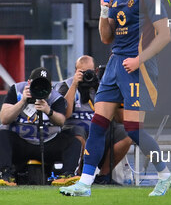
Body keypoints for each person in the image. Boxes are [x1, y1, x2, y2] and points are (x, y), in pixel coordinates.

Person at [60, 0, 171, 197]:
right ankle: (85, 184)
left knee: (133, 129)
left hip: (138, 66)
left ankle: (164, 175)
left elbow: (165, 35)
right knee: (98, 124)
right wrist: (103, 12)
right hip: (114, 64)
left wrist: (139, 59)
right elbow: (106, 37)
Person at [0, 67, 82, 186]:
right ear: (29, 83)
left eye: (44, 85)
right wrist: (22, 102)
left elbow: (61, 121)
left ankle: (67, 174)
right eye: (36, 84)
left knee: (74, 141)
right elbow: (4, 118)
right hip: (21, 142)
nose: (40, 88)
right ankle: (7, 175)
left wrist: (48, 111)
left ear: (50, 86)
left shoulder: (56, 98)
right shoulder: (17, 90)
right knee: (2, 135)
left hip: (47, 142)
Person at [53, 55, 133, 186]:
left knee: (126, 134)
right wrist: (74, 85)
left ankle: (104, 175)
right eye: (82, 72)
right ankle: (76, 176)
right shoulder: (65, 85)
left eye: (89, 72)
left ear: (95, 71)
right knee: (78, 133)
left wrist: (116, 91)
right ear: (75, 72)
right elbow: (64, 115)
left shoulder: (104, 85)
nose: (86, 76)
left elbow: (120, 118)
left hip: (100, 130)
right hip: (75, 130)